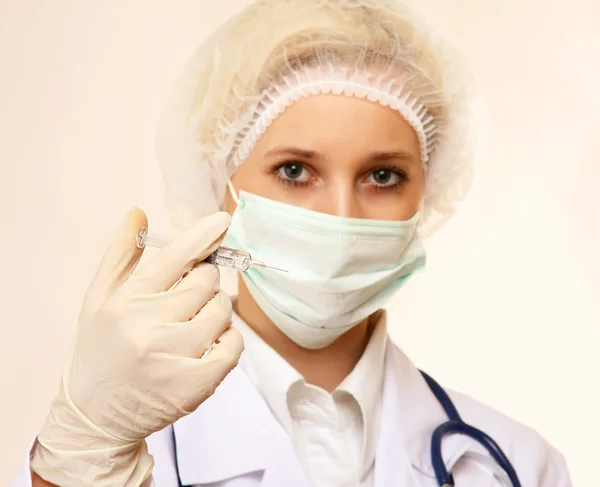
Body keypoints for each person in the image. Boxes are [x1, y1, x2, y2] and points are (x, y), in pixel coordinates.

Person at [12, 0, 572, 486]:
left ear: (427, 192)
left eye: (383, 176)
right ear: (221, 184)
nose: (341, 219)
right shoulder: (114, 456)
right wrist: (80, 458)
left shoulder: (514, 468)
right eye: (296, 170)